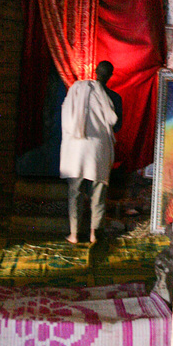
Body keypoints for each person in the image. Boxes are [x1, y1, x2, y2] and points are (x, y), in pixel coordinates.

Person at [60, 61, 122, 244]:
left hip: (76, 148)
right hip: (98, 150)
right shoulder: (114, 97)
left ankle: (74, 234)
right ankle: (94, 234)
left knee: (75, 192)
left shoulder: (76, 90)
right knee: (98, 193)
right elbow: (117, 125)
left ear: (95, 72)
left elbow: (66, 116)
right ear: (110, 75)